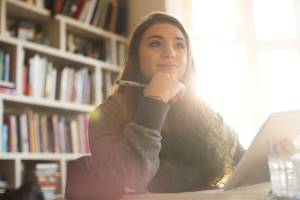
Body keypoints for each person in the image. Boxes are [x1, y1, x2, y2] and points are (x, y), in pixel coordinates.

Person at [65, 12, 244, 200]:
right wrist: (155, 100)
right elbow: (128, 179)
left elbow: (246, 161)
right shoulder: (110, 113)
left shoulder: (205, 112)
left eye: (179, 45)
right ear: (136, 56)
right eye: (155, 43)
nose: (170, 53)